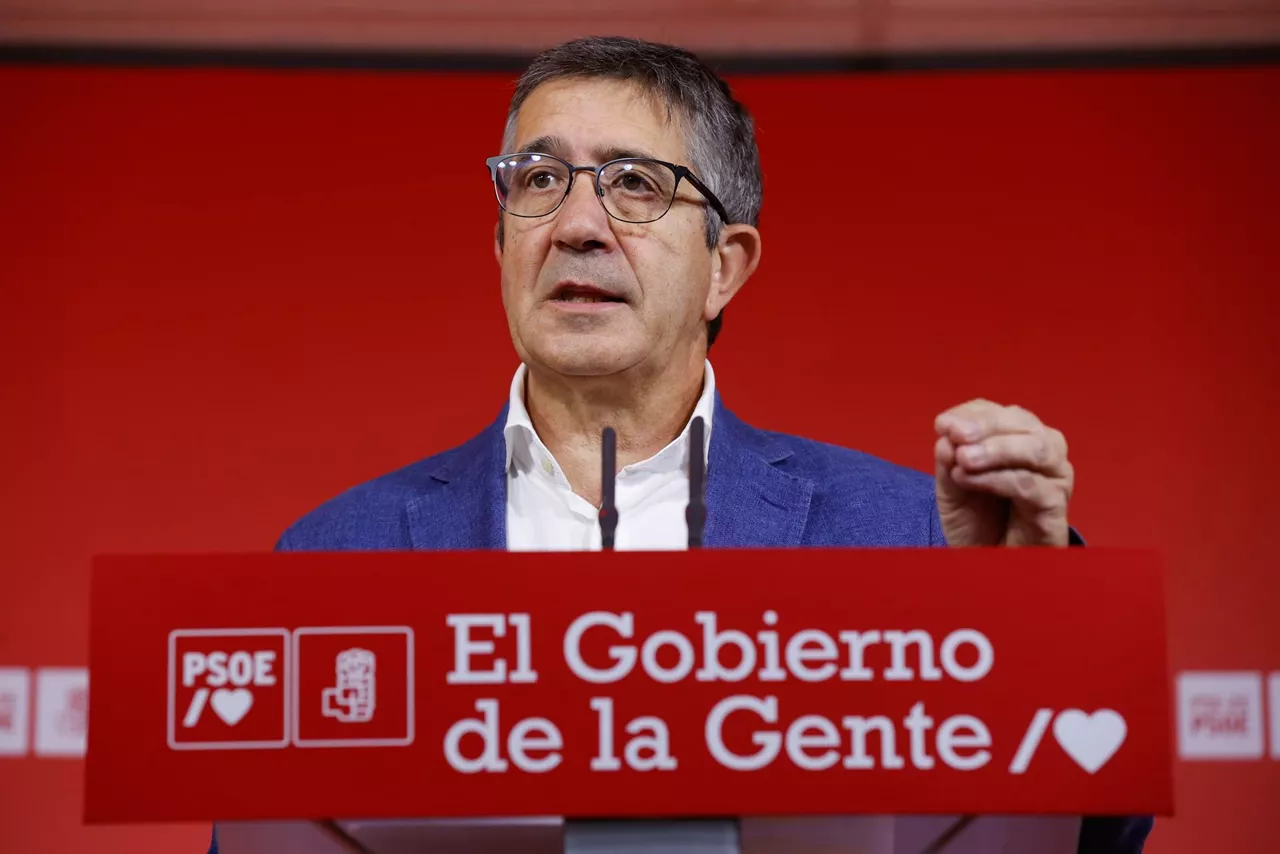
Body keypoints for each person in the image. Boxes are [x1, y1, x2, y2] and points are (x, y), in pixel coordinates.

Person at [276, 36, 1150, 853]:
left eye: (635, 184)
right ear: (503, 242)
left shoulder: (911, 534)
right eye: (539, 179)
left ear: (724, 265)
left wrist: (1039, 621)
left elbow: (1095, 835)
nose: (577, 224)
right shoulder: (331, 556)